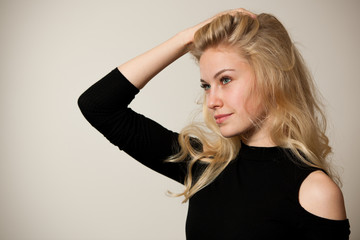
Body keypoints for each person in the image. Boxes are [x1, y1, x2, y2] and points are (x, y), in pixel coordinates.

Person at [78, 8, 350, 240]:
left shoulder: (315, 192)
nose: (212, 101)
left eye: (226, 80)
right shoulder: (205, 166)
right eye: (206, 85)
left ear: (272, 77)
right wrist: (186, 39)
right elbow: (98, 106)